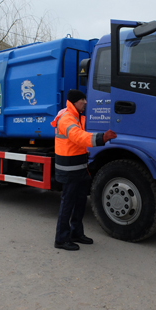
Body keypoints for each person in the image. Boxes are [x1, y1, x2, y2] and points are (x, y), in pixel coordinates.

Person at [51, 90, 117, 251]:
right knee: (68, 203)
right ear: (74, 102)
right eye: (82, 99)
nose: (86, 102)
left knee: (80, 202)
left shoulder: (78, 117)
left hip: (79, 167)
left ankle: (76, 233)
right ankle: (61, 239)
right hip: (69, 168)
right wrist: (102, 138)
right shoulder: (67, 118)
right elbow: (79, 137)